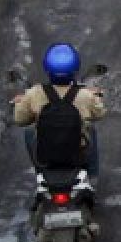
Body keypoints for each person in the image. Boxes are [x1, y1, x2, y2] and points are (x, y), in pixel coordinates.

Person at [13, 43, 106, 175]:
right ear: (75, 68)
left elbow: (20, 120)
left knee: (28, 131)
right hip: (77, 152)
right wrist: (96, 96)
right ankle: (92, 174)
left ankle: (39, 169)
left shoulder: (33, 93)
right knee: (90, 129)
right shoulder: (86, 94)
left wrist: (19, 103)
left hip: (46, 152)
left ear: (47, 69)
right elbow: (99, 114)